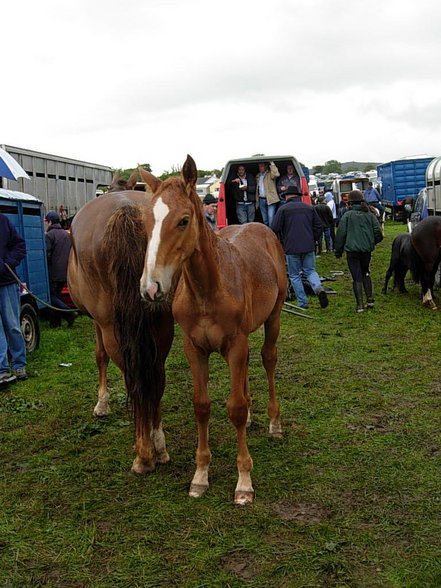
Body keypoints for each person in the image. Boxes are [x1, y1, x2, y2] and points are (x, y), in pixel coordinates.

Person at [272, 185, 329, 310]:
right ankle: (318, 287)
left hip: (291, 247)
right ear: (298, 196)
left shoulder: (283, 209)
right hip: (308, 245)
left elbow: (274, 228)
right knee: (310, 270)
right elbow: (319, 226)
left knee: (294, 275)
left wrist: (281, 242)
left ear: (286, 196)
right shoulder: (309, 208)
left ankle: (303, 302)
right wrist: (312, 239)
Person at [334, 190, 383, 313]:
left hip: (352, 251)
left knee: (356, 277)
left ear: (350, 203)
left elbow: (340, 235)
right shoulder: (370, 215)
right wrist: (370, 243)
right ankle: (370, 300)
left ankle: (360, 305)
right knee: (366, 272)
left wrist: (338, 251)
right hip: (366, 251)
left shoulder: (347, 216)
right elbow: (379, 234)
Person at [0, 213, 28, 386]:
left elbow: (19, 246)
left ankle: (19, 364)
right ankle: (2, 370)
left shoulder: (2, 221)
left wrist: (6, 264)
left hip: (6, 282)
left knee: (12, 325)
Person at [45, 211, 78, 327]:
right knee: (57, 295)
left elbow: (47, 254)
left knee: (51, 296)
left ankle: (68, 313)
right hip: (66, 271)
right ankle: (55, 322)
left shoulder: (49, 235)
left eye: (47, 222)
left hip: (54, 272)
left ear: (50, 222)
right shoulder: (66, 234)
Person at [256, 161, 280, 227]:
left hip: (271, 199)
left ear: (266, 166)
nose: (261, 168)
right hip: (261, 199)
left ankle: (272, 234)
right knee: (265, 220)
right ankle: (267, 234)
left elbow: (276, 174)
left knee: (271, 218)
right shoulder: (258, 176)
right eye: (259, 166)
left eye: (262, 166)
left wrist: (272, 164)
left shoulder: (270, 174)